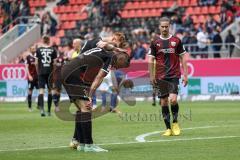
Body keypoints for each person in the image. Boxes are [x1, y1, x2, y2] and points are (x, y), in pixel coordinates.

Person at [63, 32, 130, 152]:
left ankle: (81, 143)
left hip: (67, 71)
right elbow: (99, 77)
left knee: (82, 108)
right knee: (86, 108)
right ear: (120, 58)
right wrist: (89, 96)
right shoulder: (110, 57)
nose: (118, 68)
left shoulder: (98, 47)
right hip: (74, 74)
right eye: (121, 65)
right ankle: (89, 145)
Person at [148, 17, 188, 136]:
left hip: (174, 74)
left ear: (169, 26)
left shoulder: (177, 41)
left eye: (166, 26)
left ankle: (175, 123)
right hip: (160, 76)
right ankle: (168, 128)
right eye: (162, 26)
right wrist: (151, 76)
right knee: (164, 102)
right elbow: (151, 59)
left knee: (173, 99)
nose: (164, 28)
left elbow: (183, 58)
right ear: (159, 27)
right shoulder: (155, 42)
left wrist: (185, 75)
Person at [35, 35, 57, 117]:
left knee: (41, 91)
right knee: (50, 91)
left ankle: (42, 110)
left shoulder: (38, 50)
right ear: (49, 41)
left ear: (42, 41)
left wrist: (38, 72)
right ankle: (49, 111)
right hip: (50, 72)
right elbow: (54, 63)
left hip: (41, 72)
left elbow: (36, 62)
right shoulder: (53, 50)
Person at [25, 46, 38, 112]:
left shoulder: (37, 57)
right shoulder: (28, 57)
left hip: (38, 77)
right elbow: (26, 67)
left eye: (34, 49)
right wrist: (29, 75)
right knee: (30, 91)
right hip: (31, 77)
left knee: (41, 91)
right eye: (32, 49)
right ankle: (30, 107)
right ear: (30, 50)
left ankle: (39, 105)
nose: (34, 50)